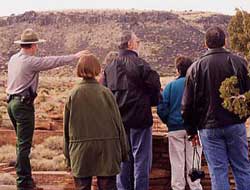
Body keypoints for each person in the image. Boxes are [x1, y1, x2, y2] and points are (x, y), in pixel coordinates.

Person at [6, 28, 89, 190]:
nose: (37, 48)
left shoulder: (13, 59)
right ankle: (23, 183)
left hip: (11, 103)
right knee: (24, 146)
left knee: (21, 144)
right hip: (23, 106)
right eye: (36, 45)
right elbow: (52, 61)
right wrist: (74, 57)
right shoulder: (30, 61)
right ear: (33, 45)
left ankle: (25, 179)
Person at [182, 26, 250, 190]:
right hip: (235, 124)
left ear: (206, 43)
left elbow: (187, 105)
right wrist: (243, 116)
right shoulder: (239, 63)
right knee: (242, 168)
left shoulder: (195, 68)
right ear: (225, 41)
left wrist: (192, 131)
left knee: (218, 171)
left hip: (208, 128)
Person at [102, 31, 161, 190]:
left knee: (123, 161)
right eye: (137, 41)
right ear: (130, 44)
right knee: (141, 161)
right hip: (140, 120)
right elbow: (155, 85)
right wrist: (152, 101)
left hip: (119, 122)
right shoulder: (141, 64)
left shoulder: (109, 67)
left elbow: (104, 94)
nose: (139, 44)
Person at [63, 54, 129, 190]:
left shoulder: (73, 95)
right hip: (107, 150)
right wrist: (123, 151)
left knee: (82, 186)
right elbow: (118, 124)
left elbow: (66, 130)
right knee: (107, 187)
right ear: (97, 69)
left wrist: (68, 156)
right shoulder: (106, 93)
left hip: (80, 151)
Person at [157, 56, 203, 190]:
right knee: (194, 161)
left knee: (177, 162)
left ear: (177, 70)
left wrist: (169, 121)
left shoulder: (170, 86)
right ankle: (195, 187)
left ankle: (178, 187)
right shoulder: (196, 85)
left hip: (175, 129)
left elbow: (162, 107)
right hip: (194, 129)